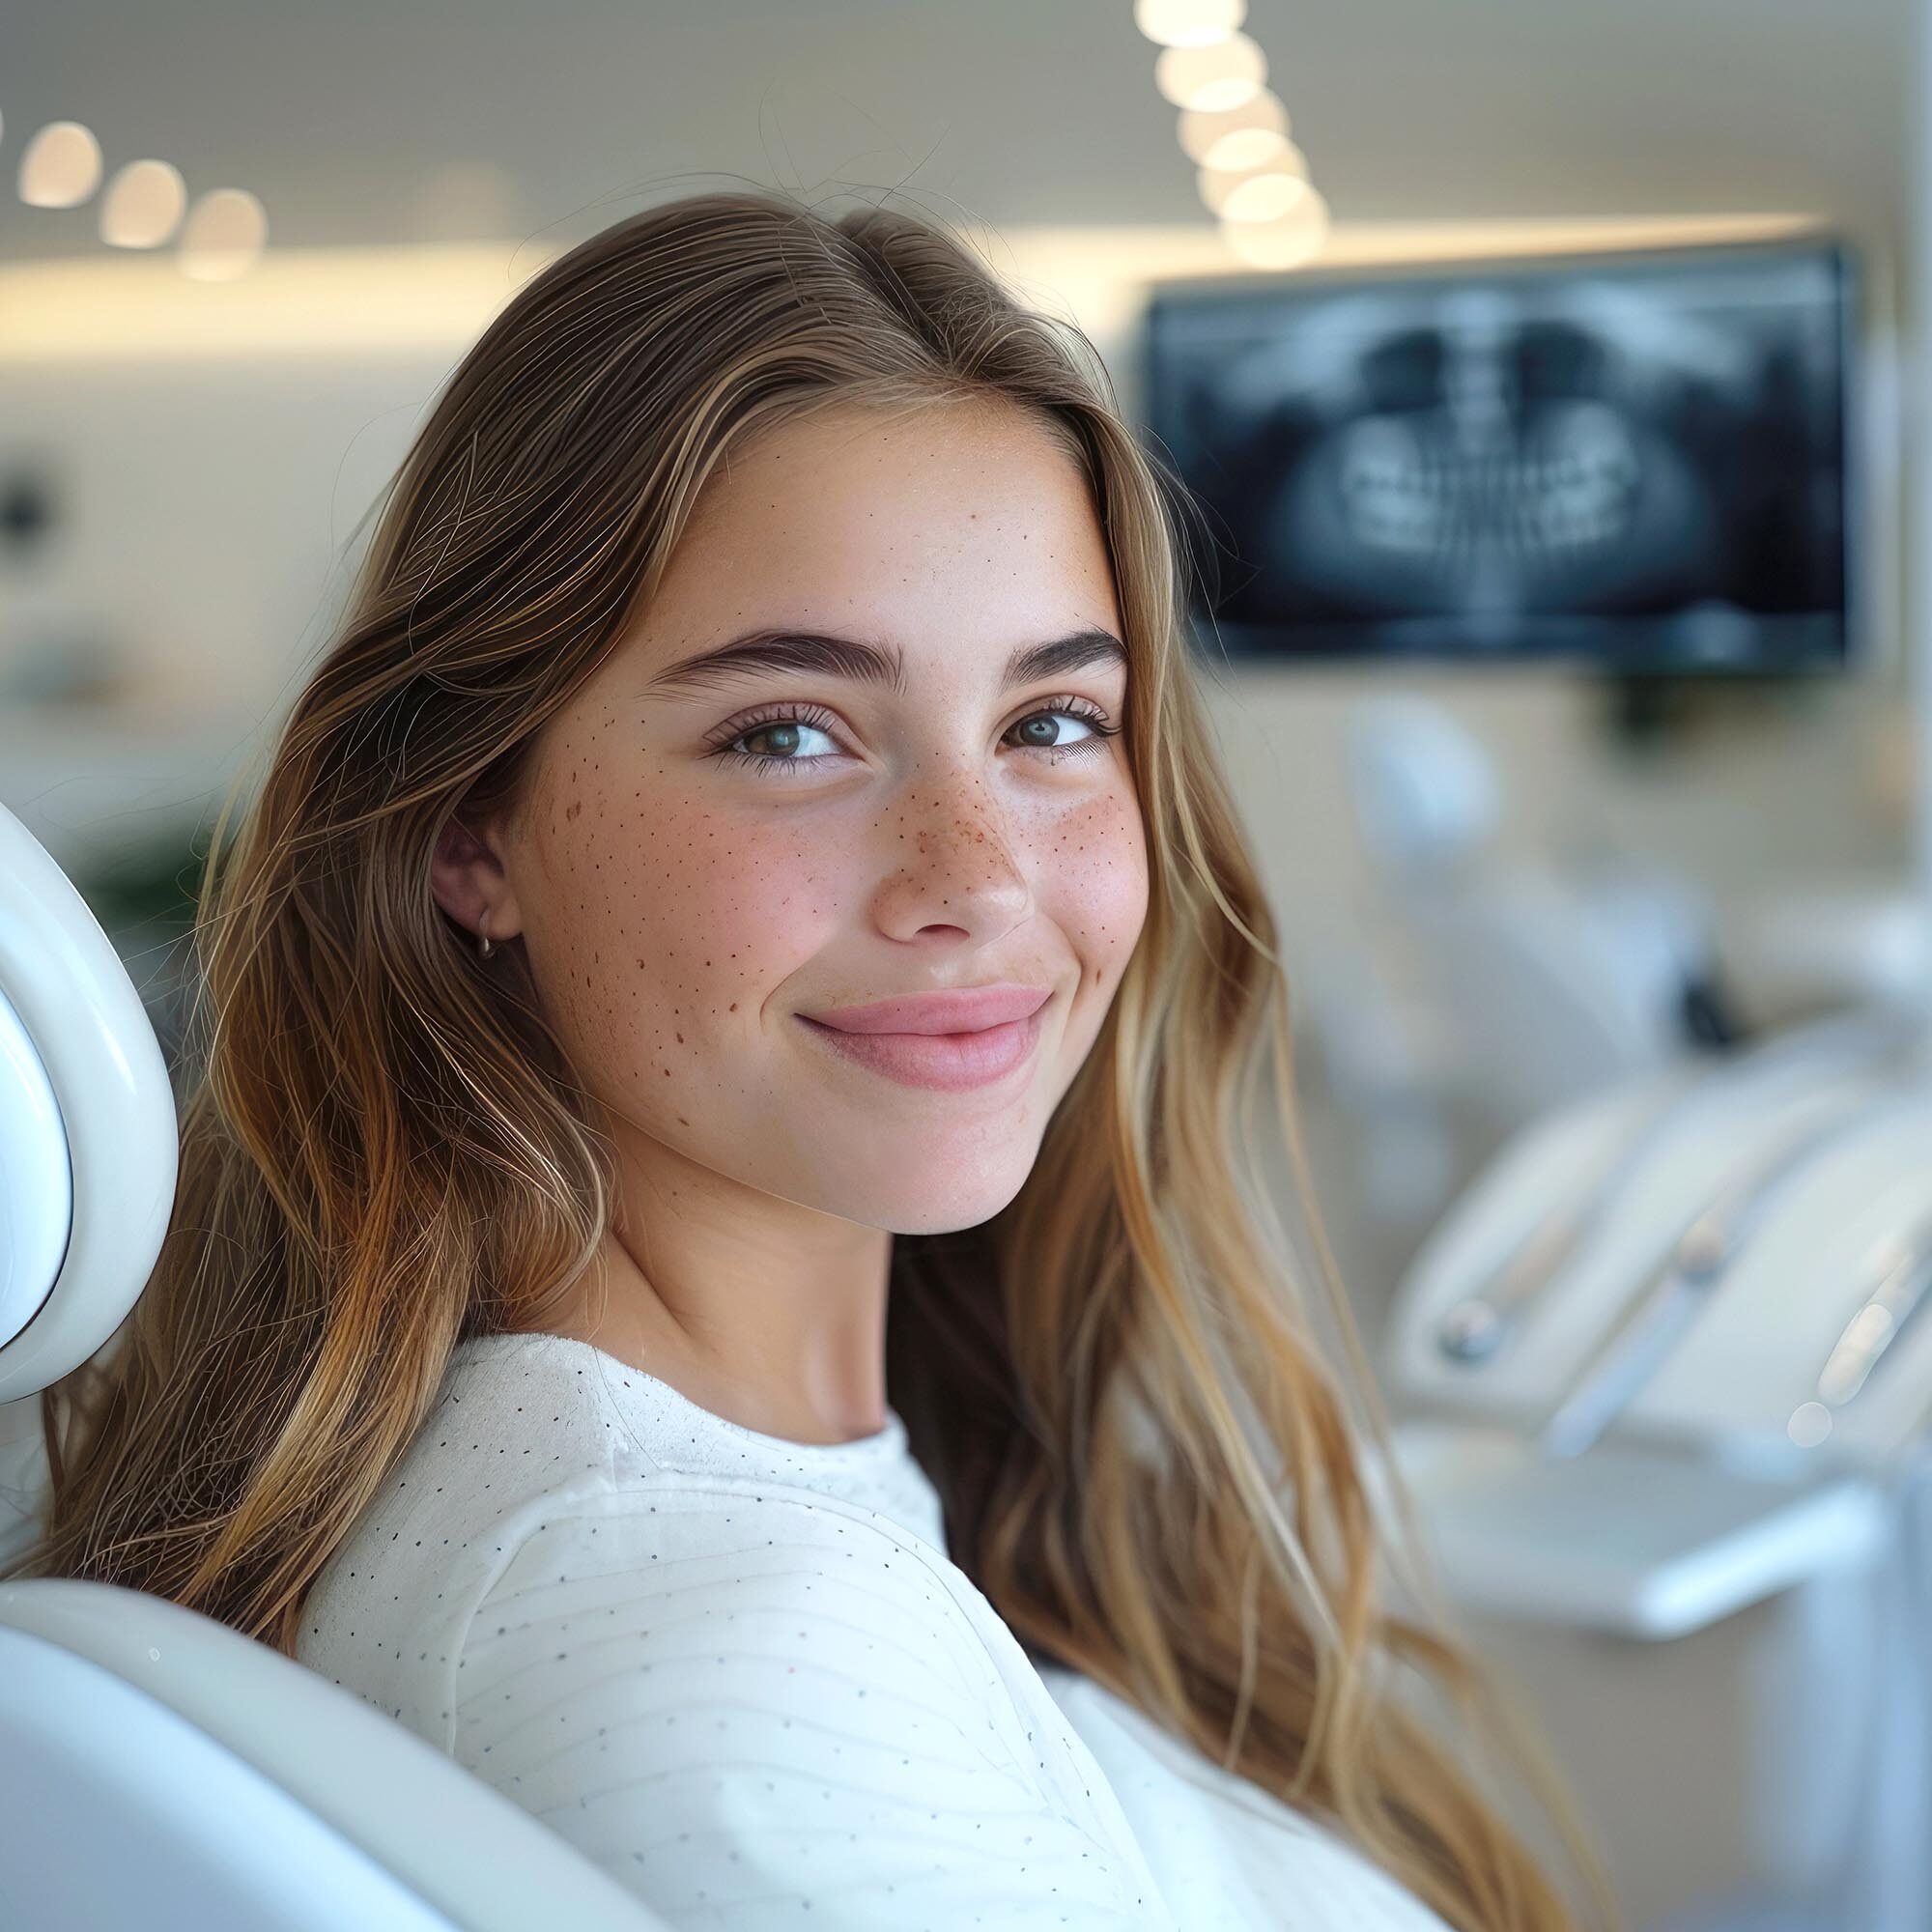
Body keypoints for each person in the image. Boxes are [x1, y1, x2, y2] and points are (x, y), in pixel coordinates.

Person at [5, 188, 1619, 1932]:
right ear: (471, 831)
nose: (978, 878)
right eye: (790, 733)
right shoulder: (719, 1655)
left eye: (1053, 723)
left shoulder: (855, 1479)